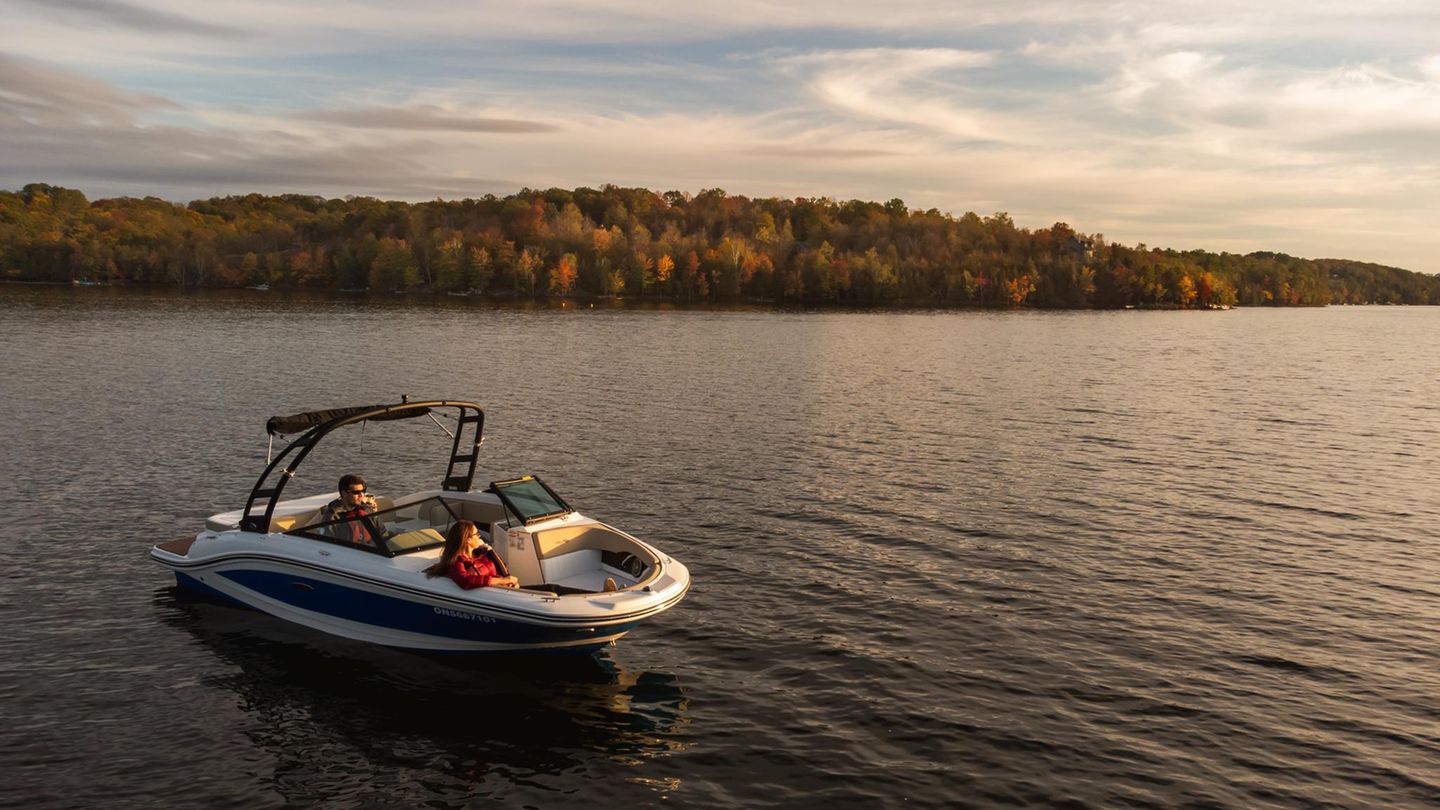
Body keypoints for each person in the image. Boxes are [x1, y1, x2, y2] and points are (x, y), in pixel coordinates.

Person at [425, 520, 520, 589]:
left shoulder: (483, 553)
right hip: (492, 595)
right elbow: (465, 581)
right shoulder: (456, 562)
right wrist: (502, 581)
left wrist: (509, 582)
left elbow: (502, 570)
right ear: (468, 540)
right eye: (477, 534)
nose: (479, 537)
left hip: (504, 590)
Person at [317, 473, 379, 544]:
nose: (361, 495)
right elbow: (328, 545)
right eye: (356, 492)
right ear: (344, 493)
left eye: (363, 491)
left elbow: (381, 532)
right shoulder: (332, 517)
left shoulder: (367, 510)